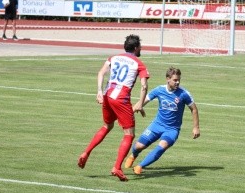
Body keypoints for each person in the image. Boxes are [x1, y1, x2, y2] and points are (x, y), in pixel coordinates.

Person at [77, 34, 150, 181]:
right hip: (121, 98)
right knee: (129, 134)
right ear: (136, 48)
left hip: (107, 95)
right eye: (140, 46)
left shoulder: (113, 58)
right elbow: (144, 85)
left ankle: (86, 152)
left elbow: (101, 72)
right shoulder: (139, 63)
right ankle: (117, 167)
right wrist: (140, 103)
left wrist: (99, 91)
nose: (141, 49)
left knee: (107, 126)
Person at [124, 66, 200, 175]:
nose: (177, 82)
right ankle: (133, 155)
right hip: (156, 125)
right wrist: (132, 110)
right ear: (168, 79)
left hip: (172, 129)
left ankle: (140, 166)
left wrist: (196, 127)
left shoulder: (184, 94)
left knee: (162, 146)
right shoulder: (159, 90)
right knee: (139, 146)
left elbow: (194, 109)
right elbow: (143, 101)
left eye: (179, 80)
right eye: (175, 80)